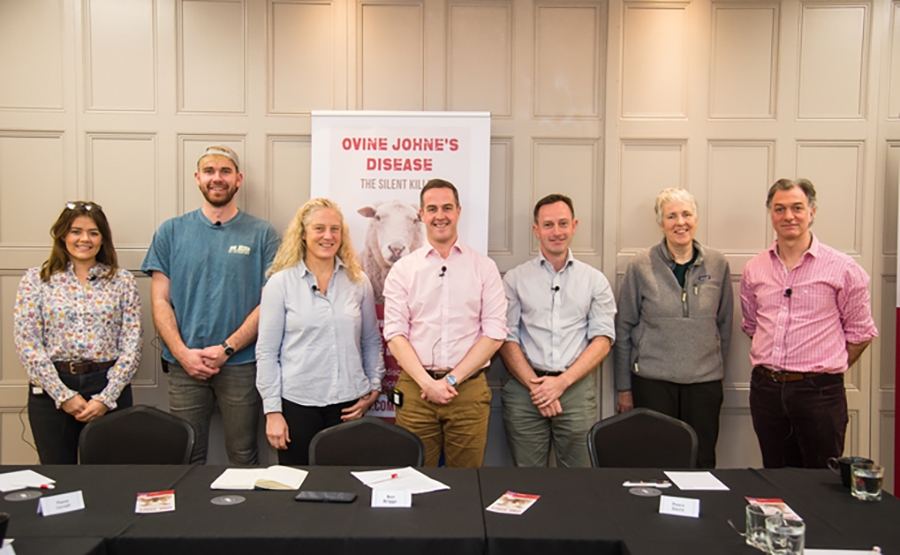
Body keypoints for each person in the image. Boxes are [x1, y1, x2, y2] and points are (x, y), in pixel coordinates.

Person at [142, 145, 281, 465]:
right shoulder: (171, 231)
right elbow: (160, 300)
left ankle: (244, 515)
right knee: (187, 454)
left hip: (241, 365)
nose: (217, 178)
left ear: (238, 179)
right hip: (183, 366)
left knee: (244, 454)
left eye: (225, 171)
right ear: (197, 178)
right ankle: (190, 517)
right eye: (209, 171)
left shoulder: (262, 233)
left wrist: (227, 348)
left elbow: (270, 303)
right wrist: (181, 352)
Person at [741, 178, 877, 469]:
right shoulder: (755, 268)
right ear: (771, 214)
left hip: (819, 392)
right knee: (776, 475)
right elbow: (752, 325)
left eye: (796, 208)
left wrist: (822, 367)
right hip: (767, 390)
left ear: (812, 212)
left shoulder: (843, 269)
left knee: (820, 481)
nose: (788, 216)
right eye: (779, 209)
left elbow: (862, 333)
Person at [383, 178, 507, 468]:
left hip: (468, 390)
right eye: (433, 208)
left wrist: (450, 381)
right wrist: (428, 383)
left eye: (447, 208)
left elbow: (494, 332)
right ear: (422, 214)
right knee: (415, 477)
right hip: (415, 391)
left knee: (466, 482)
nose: (441, 215)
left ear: (459, 211)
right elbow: (395, 334)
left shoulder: (483, 268)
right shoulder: (403, 270)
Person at [256, 198, 385, 465]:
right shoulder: (281, 284)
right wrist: (272, 412)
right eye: (319, 228)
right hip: (297, 404)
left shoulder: (358, 281)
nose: (328, 236)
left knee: (345, 487)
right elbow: (267, 352)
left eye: (335, 229)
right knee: (299, 487)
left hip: (349, 404)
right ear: (302, 234)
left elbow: (371, 340)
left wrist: (373, 385)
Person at [14, 201, 142, 464]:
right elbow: (28, 344)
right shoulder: (37, 280)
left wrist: (106, 398)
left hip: (107, 385)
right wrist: (64, 396)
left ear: (103, 238)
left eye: (93, 232)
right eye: (76, 231)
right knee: (59, 476)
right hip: (53, 390)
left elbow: (132, 344)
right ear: (63, 235)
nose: (85, 239)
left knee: (110, 478)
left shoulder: (122, 282)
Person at [614, 188, 733, 469]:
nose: (680, 222)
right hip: (653, 382)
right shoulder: (640, 265)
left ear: (696, 218)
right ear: (660, 223)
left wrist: (715, 366)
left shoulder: (717, 263)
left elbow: (725, 324)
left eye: (686, 214)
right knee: (655, 459)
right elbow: (623, 327)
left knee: (702, 460)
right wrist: (623, 388)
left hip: (704, 384)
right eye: (671, 216)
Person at [499, 194, 616, 468]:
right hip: (525, 390)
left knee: (579, 479)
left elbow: (602, 339)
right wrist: (537, 387)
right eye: (548, 225)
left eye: (563, 224)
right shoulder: (515, 279)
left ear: (574, 225)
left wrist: (561, 383)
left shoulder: (594, 280)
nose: (556, 232)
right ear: (536, 230)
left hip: (574, 389)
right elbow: (506, 337)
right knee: (527, 479)